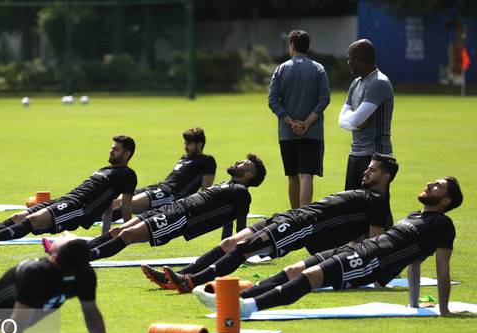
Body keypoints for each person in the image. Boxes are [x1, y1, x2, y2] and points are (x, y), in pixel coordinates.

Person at [193, 178, 463, 317]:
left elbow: (442, 269)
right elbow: (415, 261)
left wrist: (444, 309)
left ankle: (249, 307)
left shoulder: (443, 225)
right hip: (359, 248)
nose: (429, 185)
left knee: (312, 278)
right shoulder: (417, 215)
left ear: (446, 200)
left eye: (437, 186)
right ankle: (233, 302)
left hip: (372, 260)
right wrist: (414, 304)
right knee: (293, 268)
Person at [143, 153, 399, 293]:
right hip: (290, 216)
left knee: (244, 249)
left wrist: (378, 277)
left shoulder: (377, 202)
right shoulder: (366, 196)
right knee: (231, 241)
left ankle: (191, 280)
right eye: (367, 168)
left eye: (373, 170)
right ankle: (181, 275)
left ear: (386, 177)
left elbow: (371, 246)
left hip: (303, 225)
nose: (366, 172)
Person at [0, 135, 137, 244]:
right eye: (111, 148)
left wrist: (129, 233)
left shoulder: (128, 175)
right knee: (20, 216)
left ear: (126, 154)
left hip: (77, 208)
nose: (110, 151)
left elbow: (125, 208)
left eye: (115, 150)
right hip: (66, 199)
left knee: (33, 220)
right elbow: (107, 203)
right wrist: (104, 234)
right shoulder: (105, 169)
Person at [84, 155, 266, 261]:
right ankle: (81, 251)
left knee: (127, 236)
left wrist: (232, 251)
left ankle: (84, 258)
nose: (238, 162)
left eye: (244, 164)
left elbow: (239, 227)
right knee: (120, 229)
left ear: (249, 175)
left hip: (181, 217)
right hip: (172, 207)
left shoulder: (242, 192)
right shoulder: (227, 184)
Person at [269, 30, 330, 209]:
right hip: (313, 132)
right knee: (306, 175)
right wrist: (307, 123)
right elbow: (324, 99)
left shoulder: (281, 69)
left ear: (292, 45)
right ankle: (304, 216)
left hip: (287, 133)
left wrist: (290, 122)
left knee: (293, 175)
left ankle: (293, 217)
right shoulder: (318, 68)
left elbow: (273, 100)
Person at [108, 127, 216, 220]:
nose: (185, 147)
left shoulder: (206, 161)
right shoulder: (185, 157)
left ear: (199, 144)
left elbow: (205, 191)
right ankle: (99, 225)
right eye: (185, 143)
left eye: (189, 144)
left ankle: (121, 235)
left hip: (171, 195)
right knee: (114, 199)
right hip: (158, 188)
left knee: (126, 203)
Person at [339, 39, 394, 193]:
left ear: (360, 58)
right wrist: (354, 120)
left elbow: (355, 119)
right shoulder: (356, 83)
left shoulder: (379, 82)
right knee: (350, 206)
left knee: (375, 207)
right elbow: (342, 121)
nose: (348, 62)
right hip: (355, 153)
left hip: (375, 156)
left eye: (350, 59)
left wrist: (353, 119)